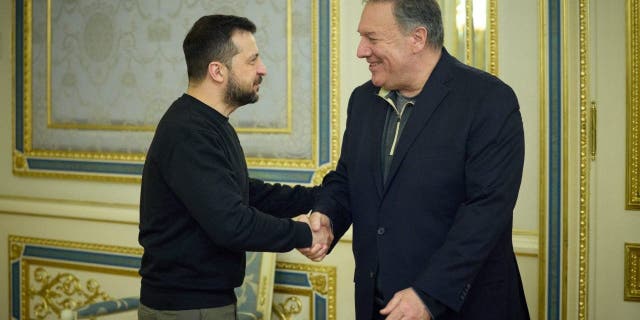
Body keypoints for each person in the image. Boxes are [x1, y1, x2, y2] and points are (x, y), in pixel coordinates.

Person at [304, 0, 530, 319]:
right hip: (380, 305)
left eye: (372, 38)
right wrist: (327, 217)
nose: (360, 50)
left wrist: (429, 293)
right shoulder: (363, 101)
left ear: (417, 38)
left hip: (461, 306)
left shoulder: (488, 100)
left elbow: (485, 211)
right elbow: (346, 180)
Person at [138, 15, 332, 320]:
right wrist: (305, 234)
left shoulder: (208, 124)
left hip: (201, 305)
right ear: (217, 71)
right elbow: (232, 224)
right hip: (187, 309)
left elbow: (245, 193)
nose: (263, 69)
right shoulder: (188, 131)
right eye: (252, 60)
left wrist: (321, 198)